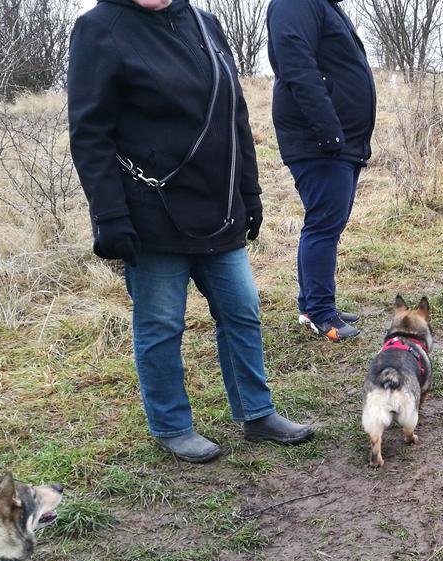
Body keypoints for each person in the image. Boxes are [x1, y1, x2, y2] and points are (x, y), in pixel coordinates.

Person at [68, 0, 315, 463]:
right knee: (161, 325)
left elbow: (234, 116)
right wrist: (109, 215)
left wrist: (250, 192)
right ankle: (172, 425)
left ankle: (257, 412)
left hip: (217, 206)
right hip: (150, 213)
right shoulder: (100, 29)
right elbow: (89, 133)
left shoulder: (206, 23)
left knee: (242, 311)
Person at [267, 0, 377, 343]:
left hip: (339, 141)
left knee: (327, 222)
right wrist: (328, 129)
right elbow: (297, 67)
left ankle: (312, 303)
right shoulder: (294, 3)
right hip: (320, 140)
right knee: (323, 224)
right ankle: (320, 313)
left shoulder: (322, 5)